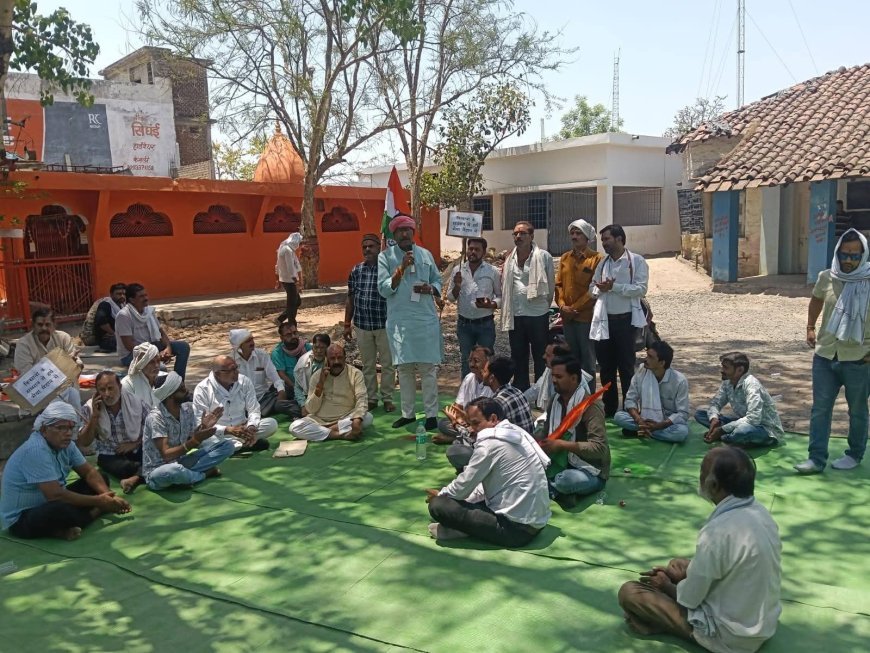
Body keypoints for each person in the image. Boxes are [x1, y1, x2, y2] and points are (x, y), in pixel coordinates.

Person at [618, 447, 781, 653]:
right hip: (764, 624)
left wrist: (666, 585)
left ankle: (665, 625)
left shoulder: (717, 532)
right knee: (678, 564)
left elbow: (690, 599)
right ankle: (664, 617)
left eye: (702, 473)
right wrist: (683, 575)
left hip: (732, 638)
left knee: (630, 593)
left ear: (713, 485)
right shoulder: (761, 513)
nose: (699, 478)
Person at [425, 397, 551, 546]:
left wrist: (442, 495)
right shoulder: (516, 431)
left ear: (493, 419)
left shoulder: (489, 444)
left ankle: (464, 530)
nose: (471, 429)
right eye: (470, 424)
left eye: (476, 423)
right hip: (538, 521)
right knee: (460, 499)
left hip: (517, 530)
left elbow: (462, 487)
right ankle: (468, 527)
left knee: (438, 506)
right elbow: (480, 487)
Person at [0, 401, 131, 540]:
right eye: (61, 428)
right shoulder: (36, 450)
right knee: (60, 510)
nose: (68, 433)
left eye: (71, 428)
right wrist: (99, 502)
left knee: (101, 479)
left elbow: (88, 472)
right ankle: (94, 513)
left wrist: (108, 496)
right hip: (22, 518)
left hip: (51, 501)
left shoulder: (66, 444)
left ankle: (66, 526)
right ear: (44, 430)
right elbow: (55, 495)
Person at [796, 229, 870, 474]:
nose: (849, 260)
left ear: (864, 255)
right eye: (845, 254)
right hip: (826, 355)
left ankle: (855, 453)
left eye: (855, 256)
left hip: (858, 358)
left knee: (857, 410)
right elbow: (816, 299)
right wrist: (810, 326)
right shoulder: (827, 277)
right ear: (837, 252)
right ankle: (816, 459)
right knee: (820, 409)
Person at [378, 214, 443, 430]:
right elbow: (384, 289)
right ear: (394, 235)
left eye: (408, 230)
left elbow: (437, 279)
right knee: (404, 370)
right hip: (400, 323)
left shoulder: (425, 254)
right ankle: (408, 413)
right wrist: (401, 268)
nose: (405, 233)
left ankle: (432, 414)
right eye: (400, 230)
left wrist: (431, 289)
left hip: (425, 320)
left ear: (413, 232)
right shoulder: (385, 257)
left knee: (427, 369)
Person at [590, 224, 649, 417]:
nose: (604, 243)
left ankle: (630, 409)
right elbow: (593, 289)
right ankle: (610, 409)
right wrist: (600, 288)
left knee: (626, 367)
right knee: (606, 368)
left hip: (625, 322)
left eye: (607, 239)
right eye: (603, 240)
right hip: (604, 321)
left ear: (619, 239)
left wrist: (614, 288)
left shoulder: (636, 261)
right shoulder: (603, 263)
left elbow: (641, 289)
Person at [142, 372, 236, 491]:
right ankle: (203, 475)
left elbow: (190, 437)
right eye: (181, 389)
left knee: (228, 446)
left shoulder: (187, 409)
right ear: (170, 395)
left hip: (181, 462)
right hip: (159, 470)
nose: (186, 390)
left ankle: (186, 478)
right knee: (174, 471)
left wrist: (203, 428)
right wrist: (195, 441)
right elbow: (166, 454)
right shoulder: (156, 418)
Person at [541, 356, 611, 507]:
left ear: (573, 378)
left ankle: (550, 490)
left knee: (565, 480)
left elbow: (599, 448)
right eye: (553, 376)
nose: (553, 380)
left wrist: (561, 445)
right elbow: (545, 434)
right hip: (560, 463)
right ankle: (559, 493)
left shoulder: (591, 407)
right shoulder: (555, 400)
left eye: (559, 376)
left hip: (590, 470)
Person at [498, 221, 555, 391]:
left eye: (522, 233)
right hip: (516, 314)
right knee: (518, 355)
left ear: (531, 236)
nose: (518, 237)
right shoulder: (509, 258)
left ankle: (541, 391)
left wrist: (543, 305)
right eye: (515, 233)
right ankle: (521, 389)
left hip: (538, 314)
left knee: (540, 356)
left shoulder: (543, 256)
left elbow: (550, 286)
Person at [344, 233, 396, 412]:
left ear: (378, 247)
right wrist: (346, 324)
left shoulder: (387, 270)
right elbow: (350, 298)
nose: (367, 250)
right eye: (364, 247)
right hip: (362, 325)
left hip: (384, 325)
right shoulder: (356, 270)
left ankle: (388, 398)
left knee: (388, 365)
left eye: (371, 246)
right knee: (368, 365)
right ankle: (371, 398)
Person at [78, 371, 149, 494]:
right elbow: (84, 442)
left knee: (155, 453)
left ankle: (135, 478)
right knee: (129, 467)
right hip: (110, 455)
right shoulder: (89, 408)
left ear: (120, 387)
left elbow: (152, 427)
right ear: (97, 392)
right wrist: (94, 417)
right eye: (102, 390)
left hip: (137, 448)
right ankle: (142, 473)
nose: (107, 394)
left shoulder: (135, 402)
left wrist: (135, 444)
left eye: (111, 388)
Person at [695, 352, 784, 447]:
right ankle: (730, 437)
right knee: (700, 414)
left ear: (740, 370)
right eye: (722, 367)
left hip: (763, 428)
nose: (721, 370)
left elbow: (753, 419)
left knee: (741, 431)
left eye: (725, 368)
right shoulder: (727, 382)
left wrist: (722, 429)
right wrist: (714, 418)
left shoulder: (751, 385)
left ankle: (726, 436)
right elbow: (716, 403)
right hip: (742, 421)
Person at [192, 355, 278, 452]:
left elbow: (254, 409)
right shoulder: (203, 389)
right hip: (219, 433)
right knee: (206, 441)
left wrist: (251, 427)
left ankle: (237, 445)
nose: (237, 372)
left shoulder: (244, 381)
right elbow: (200, 423)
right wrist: (228, 430)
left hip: (243, 429)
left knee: (271, 424)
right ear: (218, 373)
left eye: (236, 368)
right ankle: (242, 445)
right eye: (232, 370)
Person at [290, 344, 372, 441]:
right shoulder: (317, 376)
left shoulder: (355, 374)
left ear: (345, 358)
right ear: (326, 359)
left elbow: (361, 398)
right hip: (318, 420)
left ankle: (324, 432)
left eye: (340, 358)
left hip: (345, 418)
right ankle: (340, 435)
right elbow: (310, 409)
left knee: (367, 417)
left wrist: (357, 419)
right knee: (294, 427)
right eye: (332, 358)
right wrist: (320, 384)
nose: (336, 362)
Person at [555, 219, 603, 388]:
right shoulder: (565, 258)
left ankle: (588, 399)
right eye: (572, 233)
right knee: (572, 360)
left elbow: (594, 291)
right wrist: (561, 306)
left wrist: (573, 309)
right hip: (568, 318)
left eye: (578, 233)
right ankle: (573, 396)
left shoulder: (597, 259)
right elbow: (558, 285)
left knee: (588, 362)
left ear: (587, 237)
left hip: (586, 318)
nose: (574, 236)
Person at [613, 341, 691, 443]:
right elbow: (630, 400)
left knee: (681, 433)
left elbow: (682, 413)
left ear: (662, 363)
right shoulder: (641, 372)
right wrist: (639, 420)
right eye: (647, 355)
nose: (645, 359)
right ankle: (647, 430)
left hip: (667, 423)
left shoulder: (679, 381)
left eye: (650, 357)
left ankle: (641, 432)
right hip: (644, 419)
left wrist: (660, 425)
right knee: (618, 417)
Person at [446, 237, 501, 379]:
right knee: (467, 360)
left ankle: (487, 393)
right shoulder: (458, 270)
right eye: (470, 249)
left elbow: (500, 296)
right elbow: (451, 298)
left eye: (477, 249)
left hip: (485, 324)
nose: (473, 252)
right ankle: (467, 395)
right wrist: (457, 286)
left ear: (483, 252)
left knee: (487, 360)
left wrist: (491, 304)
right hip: (464, 325)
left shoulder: (492, 271)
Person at [13, 307, 84, 410]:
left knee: (72, 393)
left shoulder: (63, 338)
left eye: (48, 325)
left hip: (66, 390)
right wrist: (64, 364)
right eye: (40, 325)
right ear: (33, 326)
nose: (44, 328)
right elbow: (28, 377)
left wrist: (75, 364)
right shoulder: (24, 344)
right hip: (38, 394)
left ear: (54, 325)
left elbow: (77, 365)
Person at [115, 283, 190, 379]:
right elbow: (129, 345)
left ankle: (178, 383)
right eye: (141, 296)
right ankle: (163, 390)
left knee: (183, 347)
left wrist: (168, 348)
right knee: (161, 367)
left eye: (145, 295)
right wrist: (155, 355)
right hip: (132, 354)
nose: (146, 298)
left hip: (152, 346)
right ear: (131, 300)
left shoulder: (148, 311)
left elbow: (161, 332)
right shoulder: (124, 315)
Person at [229, 328, 296, 417]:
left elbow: (274, 377)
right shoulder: (230, 362)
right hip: (243, 403)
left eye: (252, 339)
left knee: (284, 394)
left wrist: (281, 391)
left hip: (265, 398)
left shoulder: (261, 355)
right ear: (239, 347)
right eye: (248, 341)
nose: (252, 343)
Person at [435, 346, 494, 443]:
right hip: (466, 422)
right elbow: (457, 407)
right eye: (470, 360)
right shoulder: (469, 378)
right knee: (442, 423)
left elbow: (487, 420)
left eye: (476, 361)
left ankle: (460, 438)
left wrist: (461, 422)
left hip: (483, 426)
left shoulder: (493, 382)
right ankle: (463, 437)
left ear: (487, 362)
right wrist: (457, 418)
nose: (471, 364)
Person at [484, 356, 535, 437]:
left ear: (491, 378)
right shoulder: (517, 391)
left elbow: (487, 432)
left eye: (485, 371)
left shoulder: (498, 402)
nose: (482, 373)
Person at [270, 320, 310, 415]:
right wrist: (297, 390)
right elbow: (281, 374)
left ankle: (304, 409)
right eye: (288, 335)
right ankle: (304, 409)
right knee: (278, 403)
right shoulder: (277, 353)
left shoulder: (307, 347)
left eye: (295, 333)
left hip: (310, 386)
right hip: (291, 387)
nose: (293, 336)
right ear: (281, 338)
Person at [524, 338, 571, 414]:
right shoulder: (548, 371)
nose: (544, 357)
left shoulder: (570, 379)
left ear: (558, 358)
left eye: (548, 355)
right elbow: (535, 389)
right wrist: (517, 401)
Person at [294, 332, 330, 407]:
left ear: (328, 348)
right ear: (312, 346)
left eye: (322, 348)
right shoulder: (303, 361)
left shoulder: (333, 361)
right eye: (316, 347)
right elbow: (298, 388)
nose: (319, 351)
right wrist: (303, 405)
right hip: (307, 398)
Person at [121, 342, 160, 409]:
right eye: (151, 362)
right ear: (141, 364)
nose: (156, 365)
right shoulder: (128, 383)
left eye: (158, 361)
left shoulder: (165, 378)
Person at [276, 232, 303, 325]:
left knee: (297, 301)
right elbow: (290, 267)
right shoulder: (287, 250)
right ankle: (292, 325)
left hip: (287, 280)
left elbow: (278, 265)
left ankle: (281, 318)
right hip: (290, 281)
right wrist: (296, 282)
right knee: (292, 304)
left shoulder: (287, 249)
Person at [92, 283, 126, 351]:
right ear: (111, 294)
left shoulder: (122, 306)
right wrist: (114, 334)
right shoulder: (105, 305)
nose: (122, 296)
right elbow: (102, 322)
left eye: (124, 294)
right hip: (107, 339)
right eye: (119, 294)